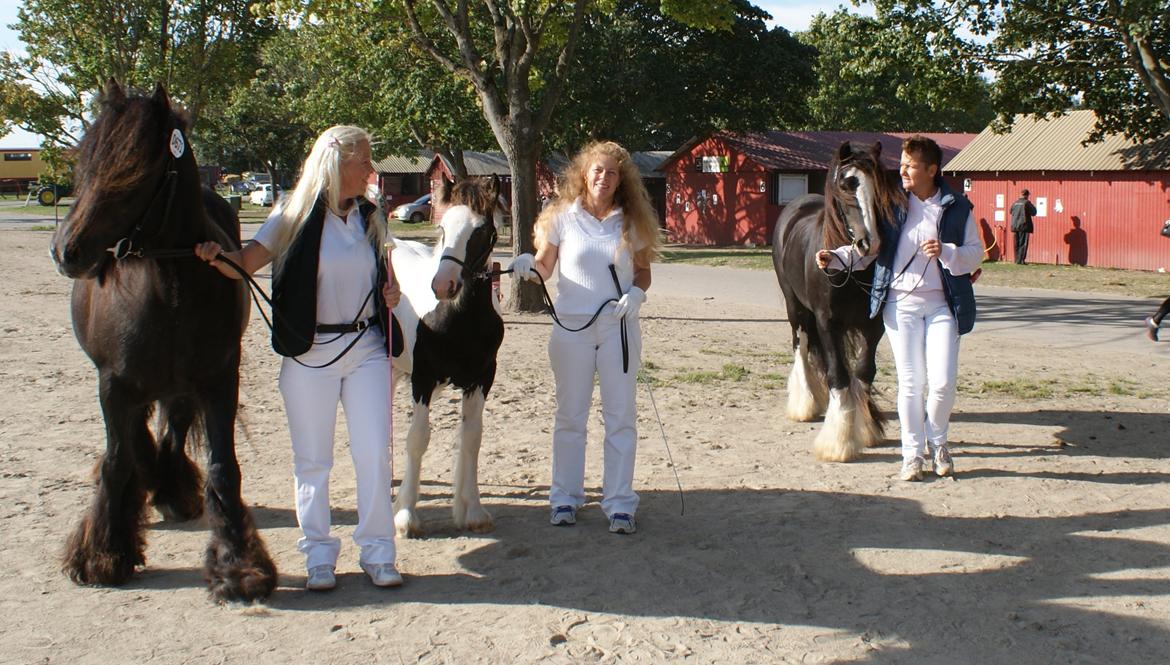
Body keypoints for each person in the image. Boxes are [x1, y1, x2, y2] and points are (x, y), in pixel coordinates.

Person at [194, 126, 403, 590]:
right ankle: (319, 556)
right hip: (310, 355)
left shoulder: (371, 216)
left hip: (366, 348)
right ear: (337, 164)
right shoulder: (291, 213)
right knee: (313, 460)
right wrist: (214, 257)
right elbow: (245, 263)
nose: (372, 169)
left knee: (374, 454)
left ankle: (379, 552)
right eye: (364, 161)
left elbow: (381, 280)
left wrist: (391, 293)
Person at [508, 141, 660, 534]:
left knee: (620, 416)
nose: (604, 178)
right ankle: (564, 497)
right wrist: (528, 266)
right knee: (570, 415)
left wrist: (637, 293)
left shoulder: (630, 221)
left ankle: (620, 502)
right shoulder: (561, 216)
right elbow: (544, 267)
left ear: (620, 180)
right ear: (584, 173)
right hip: (571, 327)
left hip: (617, 327)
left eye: (612, 173)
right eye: (598, 171)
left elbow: (641, 271)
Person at [817, 135, 984, 481]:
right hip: (901, 305)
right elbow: (870, 250)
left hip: (942, 305)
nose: (903, 170)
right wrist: (836, 258)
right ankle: (912, 455)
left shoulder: (957, 207)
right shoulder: (893, 205)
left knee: (941, 383)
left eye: (910, 165)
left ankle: (938, 443)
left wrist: (948, 252)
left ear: (932, 170)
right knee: (912, 382)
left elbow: (974, 254)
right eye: (903, 164)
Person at [1010, 189, 1036, 264]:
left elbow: (1010, 211)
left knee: (1016, 243)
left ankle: (1016, 260)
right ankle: (1021, 260)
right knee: (1023, 243)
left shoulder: (1015, 203)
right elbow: (1034, 212)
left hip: (1015, 226)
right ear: (1027, 195)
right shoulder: (1027, 203)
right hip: (1024, 225)